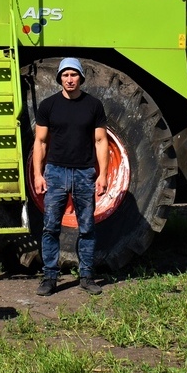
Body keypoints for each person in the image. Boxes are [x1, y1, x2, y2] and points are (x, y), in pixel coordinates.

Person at [33, 58, 109, 296]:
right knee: (50, 228)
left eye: (73, 75)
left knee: (87, 228)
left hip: (84, 173)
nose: (69, 79)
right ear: (59, 78)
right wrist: (38, 173)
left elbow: (100, 141)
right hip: (55, 172)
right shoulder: (48, 106)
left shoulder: (94, 106)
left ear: (81, 78)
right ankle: (49, 277)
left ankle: (86, 276)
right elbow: (41, 142)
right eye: (65, 75)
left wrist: (103, 174)